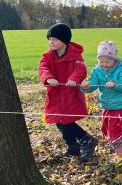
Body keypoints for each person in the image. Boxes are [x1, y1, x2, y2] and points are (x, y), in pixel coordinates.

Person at [38, 23, 97, 162]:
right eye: (49, 39)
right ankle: (73, 146)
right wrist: (49, 77)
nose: (51, 42)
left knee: (66, 120)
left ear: (64, 40)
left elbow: (80, 69)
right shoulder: (47, 56)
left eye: (55, 39)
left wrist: (74, 79)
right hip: (55, 95)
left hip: (70, 95)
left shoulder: (75, 54)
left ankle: (86, 139)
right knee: (59, 120)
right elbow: (43, 68)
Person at [81, 41, 122, 158]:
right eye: (101, 61)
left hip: (120, 105)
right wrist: (87, 86)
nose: (104, 64)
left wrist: (115, 84)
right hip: (106, 105)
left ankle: (121, 154)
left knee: (114, 130)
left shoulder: (121, 70)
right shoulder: (97, 70)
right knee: (105, 129)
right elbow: (94, 82)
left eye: (107, 62)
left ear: (114, 60)